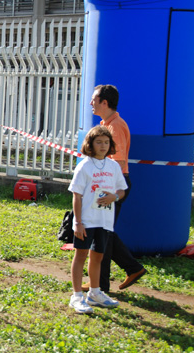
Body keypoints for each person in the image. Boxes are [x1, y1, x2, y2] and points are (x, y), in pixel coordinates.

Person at [85, 84, 146, 292]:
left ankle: (105, 282)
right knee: (105, 231)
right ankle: (124, 272)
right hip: (110, 185)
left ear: (104, 102)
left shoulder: (115, 127)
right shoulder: (108, 124)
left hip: (114, 185)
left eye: (94, 99)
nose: (91, 102)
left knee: (102, 232)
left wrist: (110, 191)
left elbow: (118, 162)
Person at [68, 125, 128, 314]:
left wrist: (115, 197)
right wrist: (78, 222)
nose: (103, 145)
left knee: (98, 257)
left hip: (104, 220)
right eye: (99, 142)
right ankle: (77, 296)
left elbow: (121, 190)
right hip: (87, 221)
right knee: (81, 256)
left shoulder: (113, 166)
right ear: (90, 144)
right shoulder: (84, 166)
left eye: (106, 142)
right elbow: (76, 195)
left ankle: (94, 293)